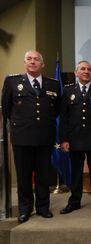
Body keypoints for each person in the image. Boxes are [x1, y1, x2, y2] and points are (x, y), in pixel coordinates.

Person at [1, 50, 61, 223]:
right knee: (24, 176)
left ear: (42, 64)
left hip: (44, 138)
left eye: (36, 59)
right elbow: (6, 110)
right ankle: (25, 209)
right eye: (29, 59)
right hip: (22, 138)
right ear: (24, 62)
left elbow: (55, 110)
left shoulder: (53, 84)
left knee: (43, 175)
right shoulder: (12, 82)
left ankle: (43, 208)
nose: (33, 62)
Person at [59, 61, 91, 214]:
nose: (86, 71)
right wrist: (64, 139)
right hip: (74, 140)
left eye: (89, 69)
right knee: (76, 172)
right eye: (83, 69)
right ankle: (74, 201)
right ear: (76, 73)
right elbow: (64, 117)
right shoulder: (68, 91)